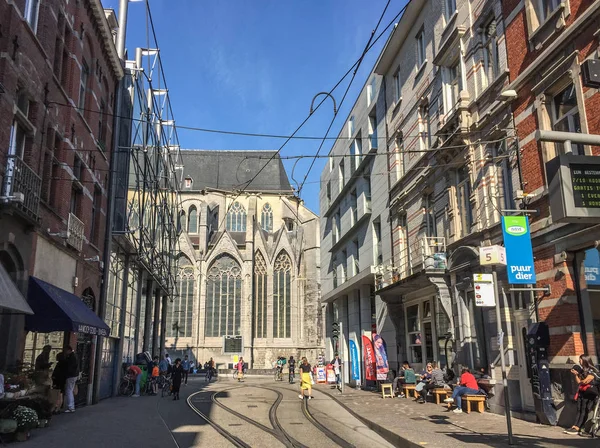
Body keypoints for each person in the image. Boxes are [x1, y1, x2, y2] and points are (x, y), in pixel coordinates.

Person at [564, 354, 600, 435]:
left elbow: (585, 381)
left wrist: (581, 380)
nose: (579, 361)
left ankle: (579, 427)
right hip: (582, 392)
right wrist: (576, 375)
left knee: (584, 409)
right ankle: (575, 425)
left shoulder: (592, 370)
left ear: (585, 360)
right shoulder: (583, 370)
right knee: (579, 409)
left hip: (590, 393)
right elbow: (579, 382)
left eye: (580, 359)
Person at [63, 346, 79, 413]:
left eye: (66, 350)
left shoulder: (71, 357)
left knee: (69, 390)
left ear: (69, 350)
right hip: (74, 375)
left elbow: (70, 367)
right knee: (70, 390)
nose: (65, 352)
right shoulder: (74, 356)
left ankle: (71, 407)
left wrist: (66, 373)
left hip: (71, 376)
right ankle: (71, 406)